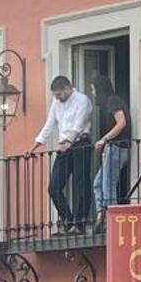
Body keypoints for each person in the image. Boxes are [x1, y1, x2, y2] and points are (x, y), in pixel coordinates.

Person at [37, 76, 97, 231]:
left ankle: (80, 223)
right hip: (65, 146)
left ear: (67, 88)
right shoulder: (57, 104)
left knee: (81, 183)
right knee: (54, 187)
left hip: (80, 143)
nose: (57, 98)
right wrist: (36, 144)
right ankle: (68, 221)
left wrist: (69, 142)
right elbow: (49, 124)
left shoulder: (82, 101)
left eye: (59, 94)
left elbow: (79, 125)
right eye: (55, 95)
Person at [91, 74, 131, 216]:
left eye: (93, 89)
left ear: (100, 89)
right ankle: (102, 215)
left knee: (108, 185)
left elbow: (121, 123)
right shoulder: (111, 102)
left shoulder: (113, 100)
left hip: (117, 149)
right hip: (115, 148)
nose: (93, 93)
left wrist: (104, 140)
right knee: (98, 183)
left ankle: (111, 219)